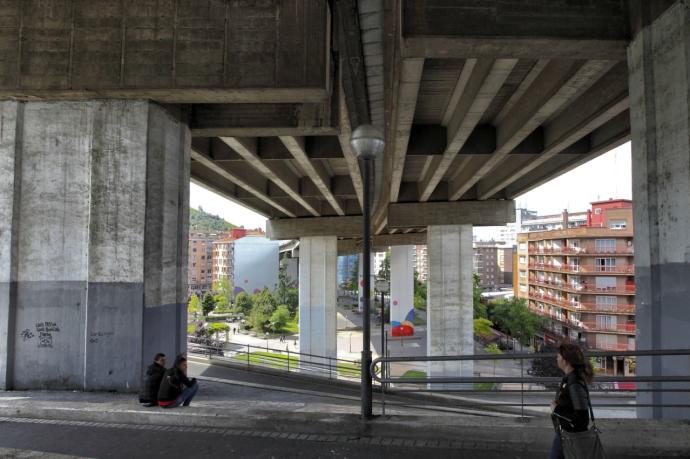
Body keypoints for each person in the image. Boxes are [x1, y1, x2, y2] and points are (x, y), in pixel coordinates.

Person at [549, 343, 594, 459]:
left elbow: (582, 419)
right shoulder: (569, 378)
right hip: (565, 434)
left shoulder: (574, 383)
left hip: (571, 437)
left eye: (558, 356)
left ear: (566, 360)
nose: (556, 358)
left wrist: (556, 409)